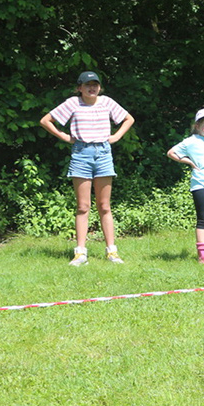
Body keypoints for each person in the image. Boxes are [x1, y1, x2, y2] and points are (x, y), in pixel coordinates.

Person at [39, 71, 135, 266]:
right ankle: (80, 253)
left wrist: (116, 137)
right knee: (83, 207)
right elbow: (45, 121)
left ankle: (112, 252)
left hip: (103, 154)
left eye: (95, 84)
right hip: (81, 154)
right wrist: (65, 137)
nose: (92, 88)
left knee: (104, 206)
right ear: (79, 88)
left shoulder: (107, 102)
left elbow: (128, 119)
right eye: (87, 84)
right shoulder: (73, 103)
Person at [167, 108, 204, 266]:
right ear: (197, 126)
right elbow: (171, 152)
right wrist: (189, 162)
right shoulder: (190, 141)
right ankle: (203, 258)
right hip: (201, 184)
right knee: (203, 220)